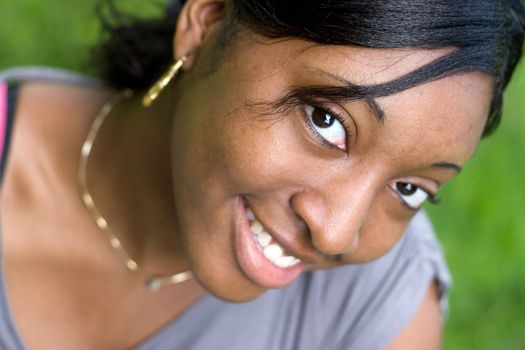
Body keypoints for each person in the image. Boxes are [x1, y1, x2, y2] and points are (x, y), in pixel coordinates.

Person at [0, 0, 523, 349]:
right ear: (207, 20)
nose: (337, 233)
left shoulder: (373, 307)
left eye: (409, 189)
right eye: (327, 121)